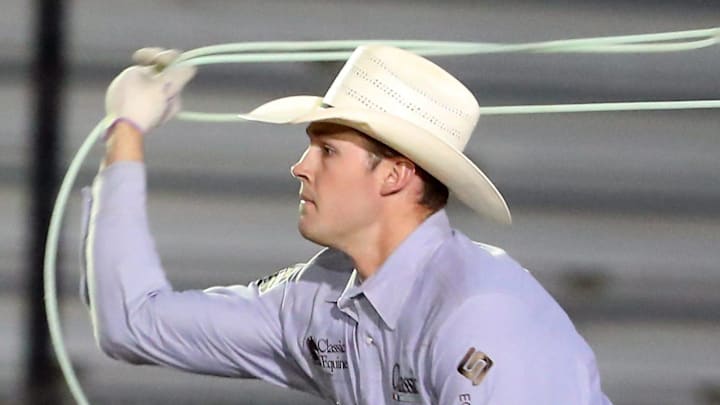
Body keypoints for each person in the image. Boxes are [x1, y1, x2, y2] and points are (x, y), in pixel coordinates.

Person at [80, 45, 612, 404]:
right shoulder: (317, 296)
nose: (300, 166)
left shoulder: (483, 317)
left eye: (327, 150)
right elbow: (134, 325)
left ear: (396, 176)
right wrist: (125, 133)